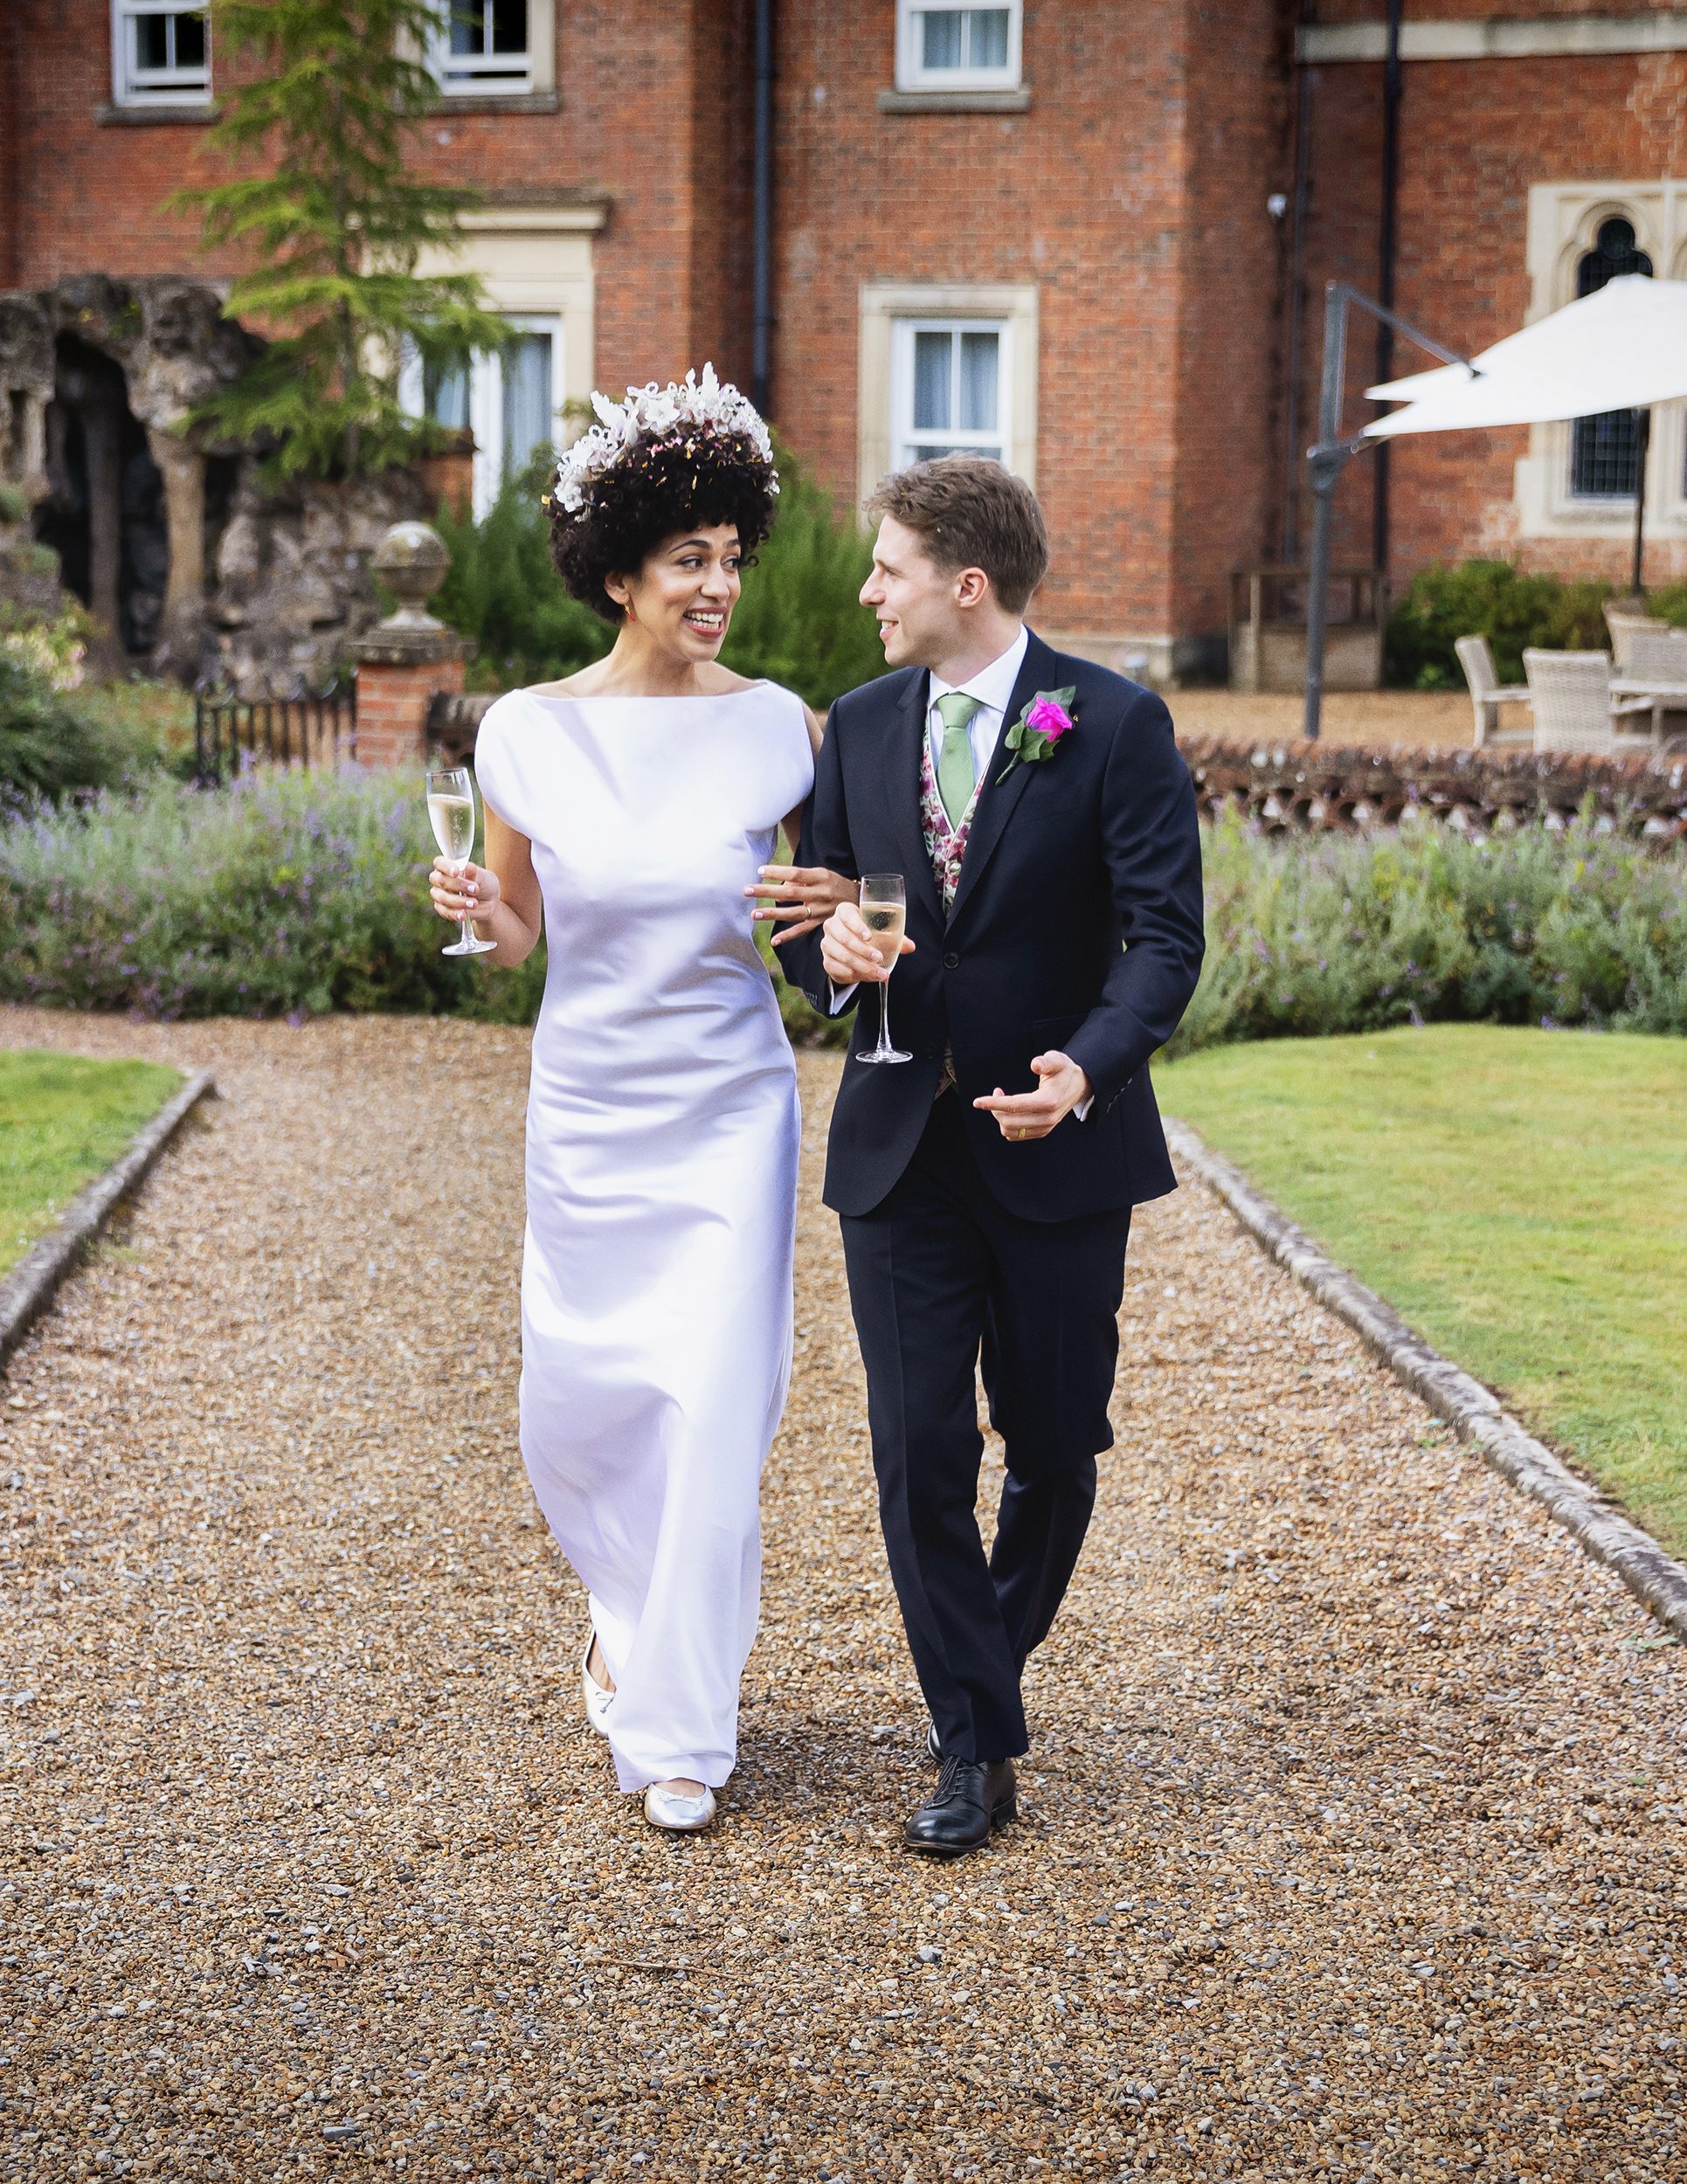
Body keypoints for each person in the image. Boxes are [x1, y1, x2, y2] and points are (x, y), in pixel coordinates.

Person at [426, 367, 853, 1834]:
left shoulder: (782, 730)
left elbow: (822, 925)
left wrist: (856, 928)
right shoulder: (525, 733)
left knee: (717, 1401)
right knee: (583, 1402)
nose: (720, 583)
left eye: (734, 555)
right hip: (591, 1108)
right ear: (619, 571)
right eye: (691, 559)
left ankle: (682, 1728)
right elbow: (520, 938)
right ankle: (621, 1608)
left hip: (734, 1106)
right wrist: (483, 910)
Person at [779, 456, 1206, 1859]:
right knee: (915, 1457)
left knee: (1059, 1447)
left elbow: (1164, 941)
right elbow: (813, 923)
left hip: (1060, 1144)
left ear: (967, 584)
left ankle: (982, 1677)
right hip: (901, 1149)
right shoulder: (852, 728)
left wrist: (1088, 1067)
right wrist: (830, 957)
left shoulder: (1117, 724)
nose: (866, 591)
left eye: (887, 568)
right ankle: (975, 1742)